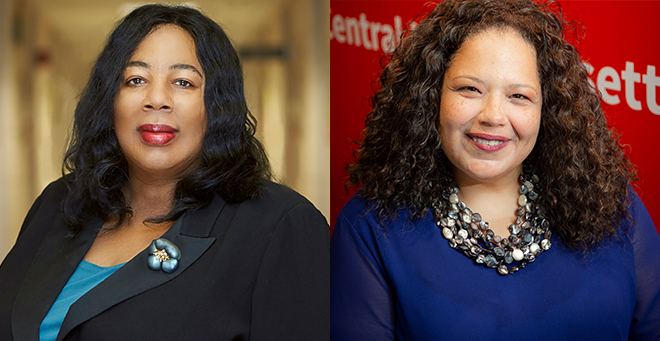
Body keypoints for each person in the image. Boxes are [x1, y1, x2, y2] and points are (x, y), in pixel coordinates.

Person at [330, 0, 659, 339]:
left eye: (518, 96)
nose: (493, 116)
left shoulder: (611, 202)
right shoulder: (371, 227)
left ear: (547, 110)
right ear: (431, 97)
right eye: (470, 89)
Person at [0, 4, 329, 341]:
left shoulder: (279, 224)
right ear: (110, 100)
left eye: (184, 82)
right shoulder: (59, 202)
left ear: (217, 104)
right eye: (135, 79)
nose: (157, 99)